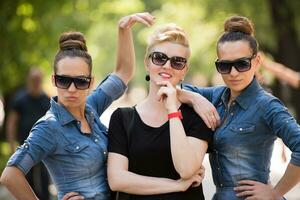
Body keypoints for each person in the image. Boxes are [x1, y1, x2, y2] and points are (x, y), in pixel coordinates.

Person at [0, 13, 154, 200]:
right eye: (64, 80)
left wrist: (124, 30)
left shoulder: (92, 106)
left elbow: (124, 72)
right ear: (54, 80)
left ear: (90, 82)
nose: (72, 89)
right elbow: (10, 176)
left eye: (80, 81)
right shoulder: (49, 127)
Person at [179, 15, 300, 199]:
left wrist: (275, 193)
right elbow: (168, 89)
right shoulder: (215, 96)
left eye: (242, 64)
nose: (233, 73)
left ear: (257, 62)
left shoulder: (266, 105)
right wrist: (195, 99)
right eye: (225, 66)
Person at [107, 23, 213, 200]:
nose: (167, 65)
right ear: (147, 63)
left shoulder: (197, 116)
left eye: (177, 61)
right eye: (159, 58)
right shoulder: (122, 118)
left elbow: (186, 169)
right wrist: (176, 185)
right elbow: (117, 179)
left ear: (184, 70)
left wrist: (172, 111)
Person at [5, 67, 51, 199]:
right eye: (33, 79)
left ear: (41, 80)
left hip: (43, 148)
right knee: (27, 180)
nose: (36, 82)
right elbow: (11, 124)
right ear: (28, 80)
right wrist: (11, 146)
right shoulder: (20, 99)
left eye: (38, 79)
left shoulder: (47, 100)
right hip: (24, 147)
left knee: (44, 179)